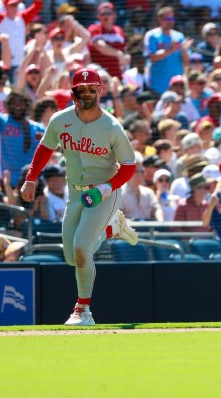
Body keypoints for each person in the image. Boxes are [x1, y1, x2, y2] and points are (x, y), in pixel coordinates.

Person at [20, 68, 139, 327]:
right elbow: (45, 148)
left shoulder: (112, 127)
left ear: (100, 91)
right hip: (75, 192)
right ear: (73, 92)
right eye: (80, 89)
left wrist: (107, 189)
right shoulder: (60, 119)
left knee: (82, 248)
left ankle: (82, 310)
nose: (86, 93)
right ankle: (112, 229)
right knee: (72, 257)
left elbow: (129, 165)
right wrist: (31, 178)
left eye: (91, 89)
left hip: (104, 191)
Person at [0, 86, 46, 187]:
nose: (17, 106)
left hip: (33, 182)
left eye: (20, 102)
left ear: (26, 105)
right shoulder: (2, 121)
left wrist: (46, 140)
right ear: (8, 105)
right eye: (13, 103)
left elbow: (58, 148)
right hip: (9, 182)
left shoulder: (38, 128)